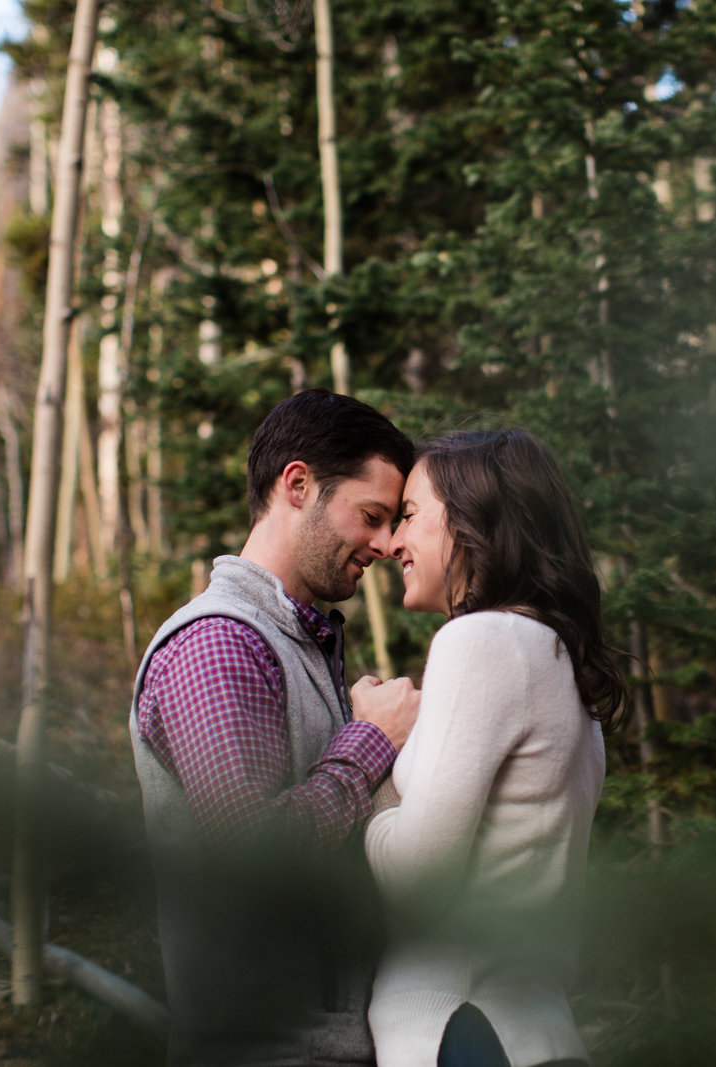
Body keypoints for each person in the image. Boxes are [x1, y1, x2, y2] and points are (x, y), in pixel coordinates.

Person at [130, 389, 421, 1067]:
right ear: (298, 485)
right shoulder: (219, 642)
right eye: (372, 515)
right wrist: (371, 742)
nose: (385, 544)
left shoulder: (295, 641)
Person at [364, 429, 626, 1067]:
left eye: (411, 515)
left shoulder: (477, 642)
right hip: (531, 1030)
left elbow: (419, 877)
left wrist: (373, 751)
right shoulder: (560, 659)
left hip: (462, 1028)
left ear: (473, 521)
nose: (394, 541)